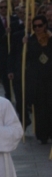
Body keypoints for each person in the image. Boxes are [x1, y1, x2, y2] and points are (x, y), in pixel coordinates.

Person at [25, 15, 52, 144]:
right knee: (40, 107)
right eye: (35, 26)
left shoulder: (51, 38)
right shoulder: (30, 41)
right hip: (37, 78)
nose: (37, 28)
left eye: (40, 25)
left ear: (45, 25)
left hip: (50, 77)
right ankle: (42, 134)